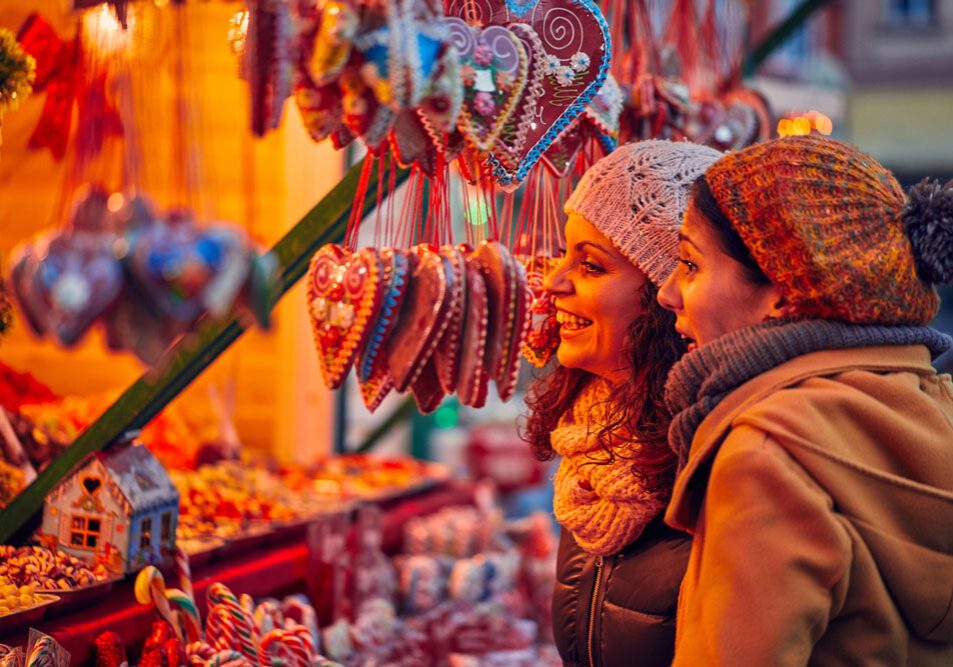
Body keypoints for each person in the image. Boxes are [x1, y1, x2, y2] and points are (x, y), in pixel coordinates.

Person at [657, 134, 953, 665]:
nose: (668, 293)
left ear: (782, 292)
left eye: (690, 264)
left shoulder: (768, 455)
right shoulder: (939, 407)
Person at [522, 139, 721, 667]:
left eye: (590, 267)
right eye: (564, 256)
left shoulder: (718, 463)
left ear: (668, 295)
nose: (553, 283)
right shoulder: (591, 452)